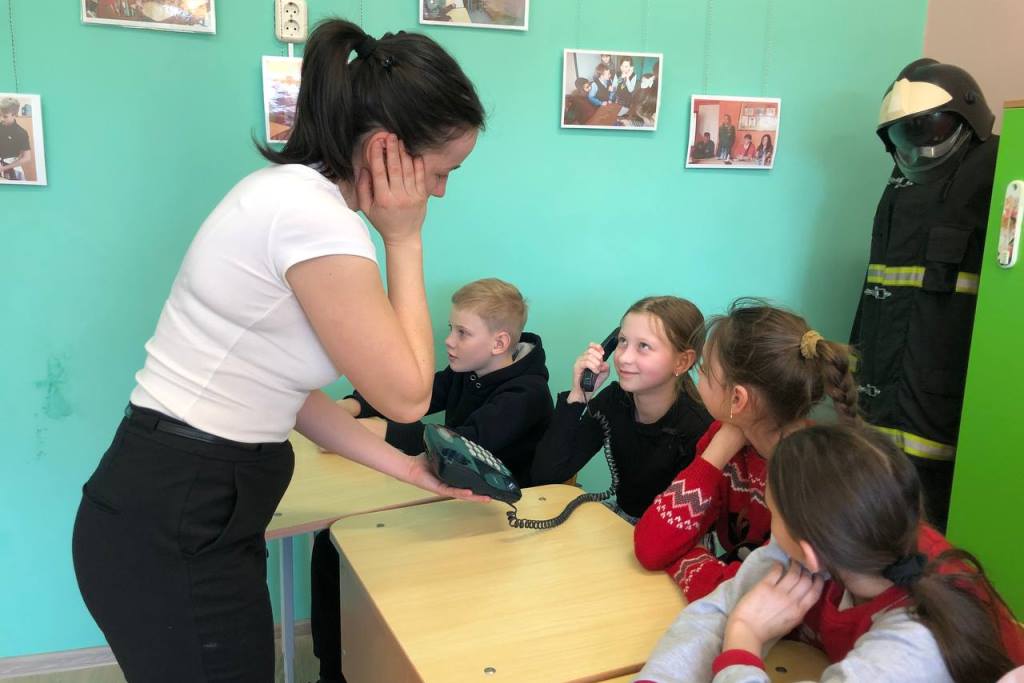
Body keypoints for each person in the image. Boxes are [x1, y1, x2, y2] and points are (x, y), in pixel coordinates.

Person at [71, 19, 487, 683]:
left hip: (174, 505)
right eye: (442, 172)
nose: (438, 192)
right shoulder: (313, 219)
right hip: (178, 518)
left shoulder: (288, 197)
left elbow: (286, 394)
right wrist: (404, 239)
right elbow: (408, 394)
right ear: (388, 149)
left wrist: (407, 471)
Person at [636, 424, 1024, 683]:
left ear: (810, 553)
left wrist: (744, 642)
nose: (771, 531)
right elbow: (718, 611)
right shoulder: (842, 541)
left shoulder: (908, 651)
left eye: (773, 516)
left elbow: (736, 623)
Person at [310, 277, 553, 683]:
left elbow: (459, 446)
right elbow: (416, 394)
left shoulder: (526, 394)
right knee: (331, 545)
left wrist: (373, 431)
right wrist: (351, 406)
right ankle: (333, 671)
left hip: (496, 521)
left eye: (462, 332)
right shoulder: (467, 370)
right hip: (454, 501)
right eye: (450, 329)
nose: (449, 341)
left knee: (344, 550)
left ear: (499, 343)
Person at [850, 59, 999, 532]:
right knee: (882, 515)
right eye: (903, 134)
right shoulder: (899, 183)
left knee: (942, 525)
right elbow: (876, 287)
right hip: (885, 389)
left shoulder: (1000, 168)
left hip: (950, 397)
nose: (918, 145)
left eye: (927, 127)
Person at [634, 299, 859, 601]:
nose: (698, 378)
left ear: (737, 400)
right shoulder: (723, 441)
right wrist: (716, 453)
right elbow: (651, 548)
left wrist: (686, 558)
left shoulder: (808, 476)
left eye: (704, 371)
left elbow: (757, 596)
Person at [532, 296, 712, 524]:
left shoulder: (698, 428)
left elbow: (684, 523)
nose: (624, 358)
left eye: (644, 346)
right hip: (624, 518)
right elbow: (545, 476)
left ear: (682, 362)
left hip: (668, 531)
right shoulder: (614, 400)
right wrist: (578, 395)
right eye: (623, 341)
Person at [0, 97, 32, 182]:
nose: (1, 119)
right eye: (0, 115)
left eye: (5, 116)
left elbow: (27, 157)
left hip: (12, 167)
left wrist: (3, 168)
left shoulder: (21, 132)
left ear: (14, 115)